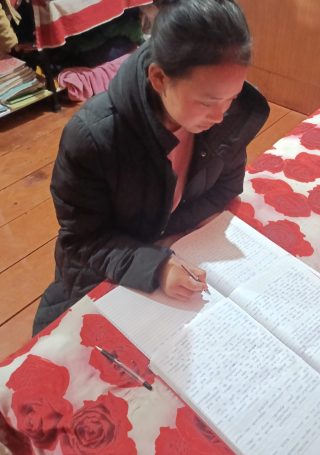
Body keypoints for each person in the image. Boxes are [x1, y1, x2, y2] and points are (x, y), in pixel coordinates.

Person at [33, 0, 269, 335]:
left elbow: (225, 188)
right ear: (158, 77)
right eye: (207, 102)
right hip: (103, 272)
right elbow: (83, 239)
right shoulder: (94, 137)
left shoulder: (229, 115)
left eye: (230, 99)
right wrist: (155, 265)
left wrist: (173, 239)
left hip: (181, 259)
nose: (220, 116)